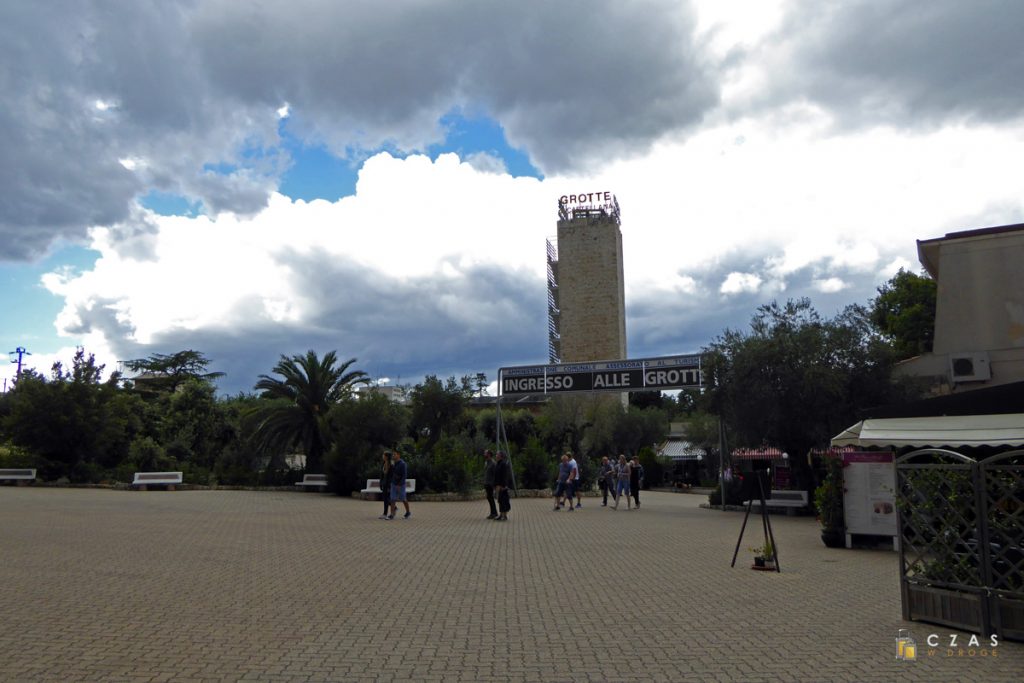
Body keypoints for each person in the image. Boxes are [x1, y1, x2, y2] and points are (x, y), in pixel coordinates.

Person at [387, 450, 411, 520]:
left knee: (403, 498)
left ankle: (408, 512)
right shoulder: (393, 463)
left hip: (401, 484)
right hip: (393, 483)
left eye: (395, 454)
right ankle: (391, 514)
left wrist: (400, 484)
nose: (393, 456)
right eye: (393, 455)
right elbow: (391, 473)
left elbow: (404, 475)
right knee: (392, 499)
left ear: (398, 455)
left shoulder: (403, 464)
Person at [493, 451, 512, 521]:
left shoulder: (503, 464)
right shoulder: (498, 464)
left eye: (497, 454)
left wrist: (504, 485)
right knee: (499, 500)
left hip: (502, 485)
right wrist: (495, 485)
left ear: (501, 456)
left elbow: (505, 475)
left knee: (504, 500)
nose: (496, 455)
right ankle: (501, 514)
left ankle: (504, 516)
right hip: (498, 485)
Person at [483, 450, 498, 519]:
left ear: (489, 454)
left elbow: (495, 475)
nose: (484, 454)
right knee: (489, 498)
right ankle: (493, 512)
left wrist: (494, 484)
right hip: (486, 483)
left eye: (485, 453)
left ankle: (494, 513)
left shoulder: (493, 463)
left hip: (490, 484)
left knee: (490, 498)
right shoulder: (487, 462)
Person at [378, 450, 393, 520]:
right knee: (385, 499)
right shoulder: (383, 463)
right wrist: (380, 483)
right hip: (384, 483)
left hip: (388, 484)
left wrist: (390, 485)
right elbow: (382, 475)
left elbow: (391, 476)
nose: (382, 456)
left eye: (384, 455)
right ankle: (394, 508)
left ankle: (385, 513)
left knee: (386, 499)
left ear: (387, 456)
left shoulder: (391, 465)